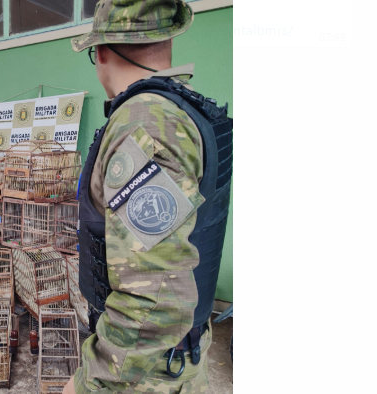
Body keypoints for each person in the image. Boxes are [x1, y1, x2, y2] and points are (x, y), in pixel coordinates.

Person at [63, 0, 233, 393]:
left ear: (101, 52)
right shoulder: (181, 107)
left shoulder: (144, 125)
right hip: (169, 361)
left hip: (144, 375)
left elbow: (155, 299)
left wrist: (89, 382)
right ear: (167, 40)